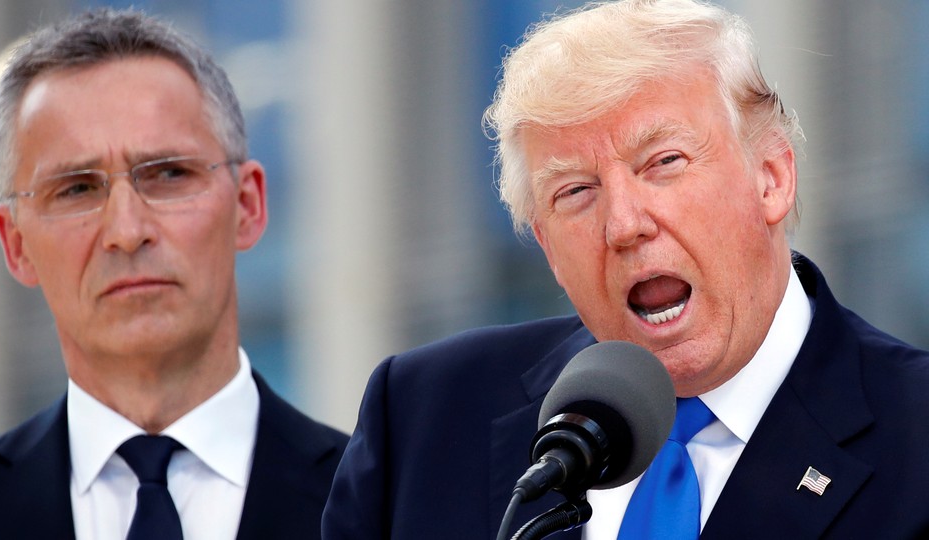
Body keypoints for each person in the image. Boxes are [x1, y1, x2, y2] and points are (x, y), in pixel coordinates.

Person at [322, 0, 929, 538]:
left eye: (663, 161)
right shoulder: (423, 419)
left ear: (771, 178)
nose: (624, 224)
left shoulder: (915, 436)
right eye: (576, 192)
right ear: (550, 249)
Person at [0, 8, 349, 539]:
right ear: (15, 244)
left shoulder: (383, 503)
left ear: (248, 205)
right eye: (77, 189)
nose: (127, 230)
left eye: (170, 174)